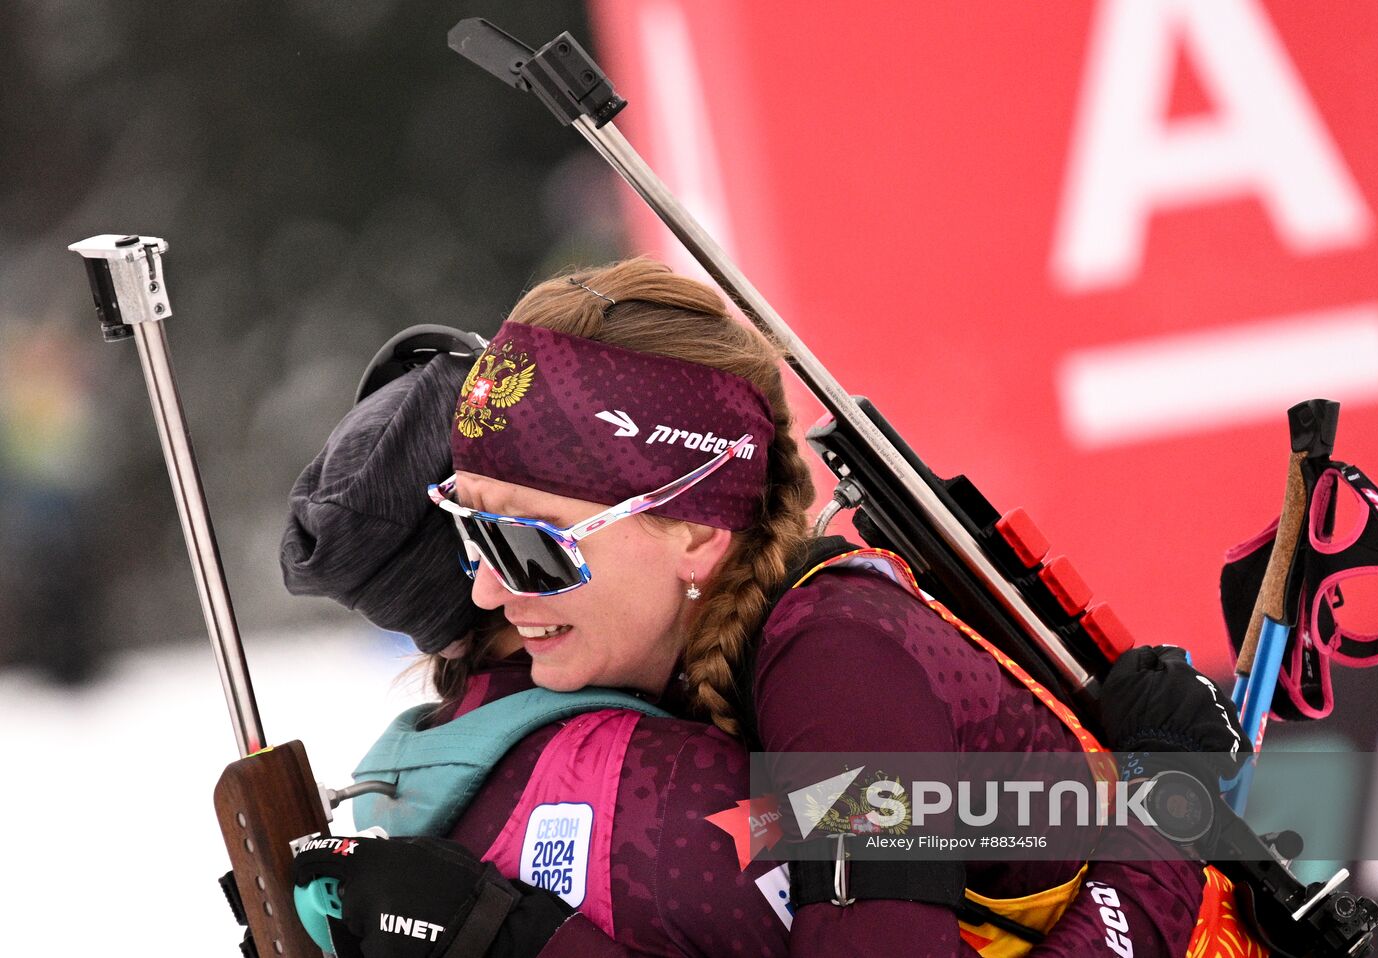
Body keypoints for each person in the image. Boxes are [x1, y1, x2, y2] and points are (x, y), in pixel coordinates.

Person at [292, 263, 1258, 958]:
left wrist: (1163, 829)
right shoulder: (681, 655)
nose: (489, 589)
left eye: (532, 545)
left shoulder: (840, 672)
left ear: (696, 533)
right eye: (473, 530)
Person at [281, 345, 792, 958]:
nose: (488, 581)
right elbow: (915, 832)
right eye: (507, 536)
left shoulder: (396, 790)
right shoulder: (672, 783)